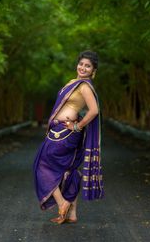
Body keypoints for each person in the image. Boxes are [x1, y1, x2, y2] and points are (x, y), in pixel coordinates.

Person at [33, 50, 104, 224]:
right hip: (60, 131)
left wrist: (78, 126)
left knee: (42, 165)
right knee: (69, 169)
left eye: (88, 66)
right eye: (81, 64)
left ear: (93, 70)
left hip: (66, 133)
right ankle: (72, 213)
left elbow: (94, 110)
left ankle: (63, 202)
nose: (83, 67)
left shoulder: (85, 86)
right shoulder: (74, 83)